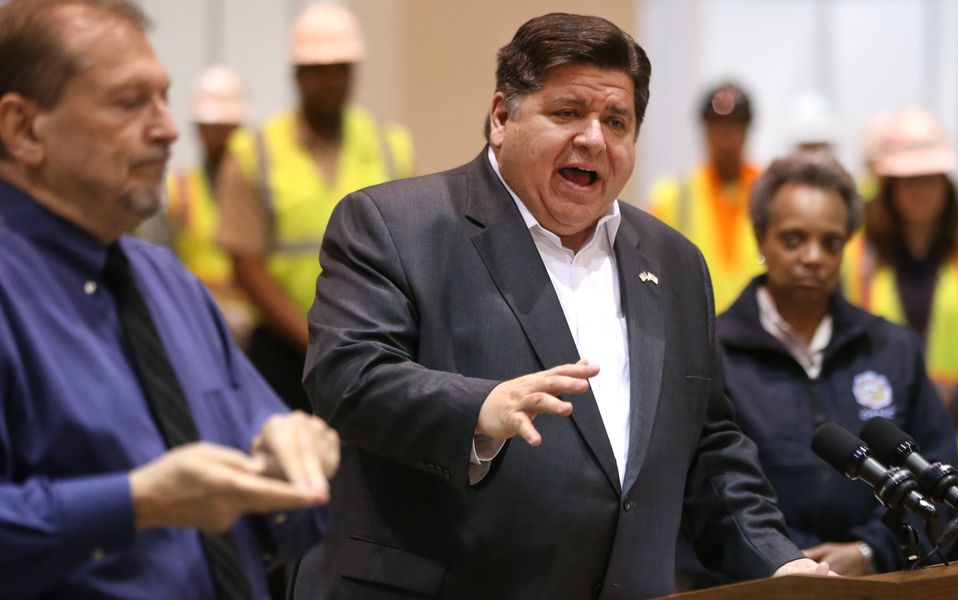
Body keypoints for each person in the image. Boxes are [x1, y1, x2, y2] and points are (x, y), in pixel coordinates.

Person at [303, 13, 833, 598]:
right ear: (502, 117)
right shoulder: (395, 224)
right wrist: (477, 407)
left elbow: (709, 448)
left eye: (617, 121)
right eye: (567, 113)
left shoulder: (676, 263)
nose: (594, 139)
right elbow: (347, 377)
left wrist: (778, 563)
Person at [0, 1, 339, 598]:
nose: (168, 128)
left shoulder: (167, 283)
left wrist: (295, 459)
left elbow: (269, 474)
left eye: (163, 97)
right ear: (25, 130)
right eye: (130, 103)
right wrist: (135, 504)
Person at [705, 150, 958, 575]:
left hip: (876, 583)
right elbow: (706, 493)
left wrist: (870, 551)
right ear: (761, 237)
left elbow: (940, 478)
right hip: (754, 585)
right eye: (793, 239)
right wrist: (783, 560)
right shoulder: (714, 350)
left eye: (831, 242)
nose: (813, 256)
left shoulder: (893, 349)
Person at [217, 1, 415, 411]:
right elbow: (246, 263)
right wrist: (315, 339)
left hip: (372, 345)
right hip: (284, 351)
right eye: (318, 70)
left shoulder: (388, 145)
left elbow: (406, 253)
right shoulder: (254, 153)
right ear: (297, 74)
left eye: (341, 68)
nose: (331, 81)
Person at [841, 108, 958, 560]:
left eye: (930, 178)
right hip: (884, 436)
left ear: (947, 184)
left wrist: (943, 423)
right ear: (889, 188)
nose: (921, 191)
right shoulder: (858, 256)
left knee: (952, 557)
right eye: (908, 180)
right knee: (892, 552)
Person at [646, 82, 761, 313]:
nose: (726, 138)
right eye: (718, 127)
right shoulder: (673, 196)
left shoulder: (770, 192)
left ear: (748, 130)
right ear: (705, 131)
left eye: (734, 127)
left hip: (760, 333)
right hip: (695, 329)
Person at [162, 65, 253, 343]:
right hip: (196, 324)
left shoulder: (258, 188)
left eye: (225, 128)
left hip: (257, 328)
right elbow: (162, 262)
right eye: (210, 128)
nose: (218, 137)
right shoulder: (178, 189)